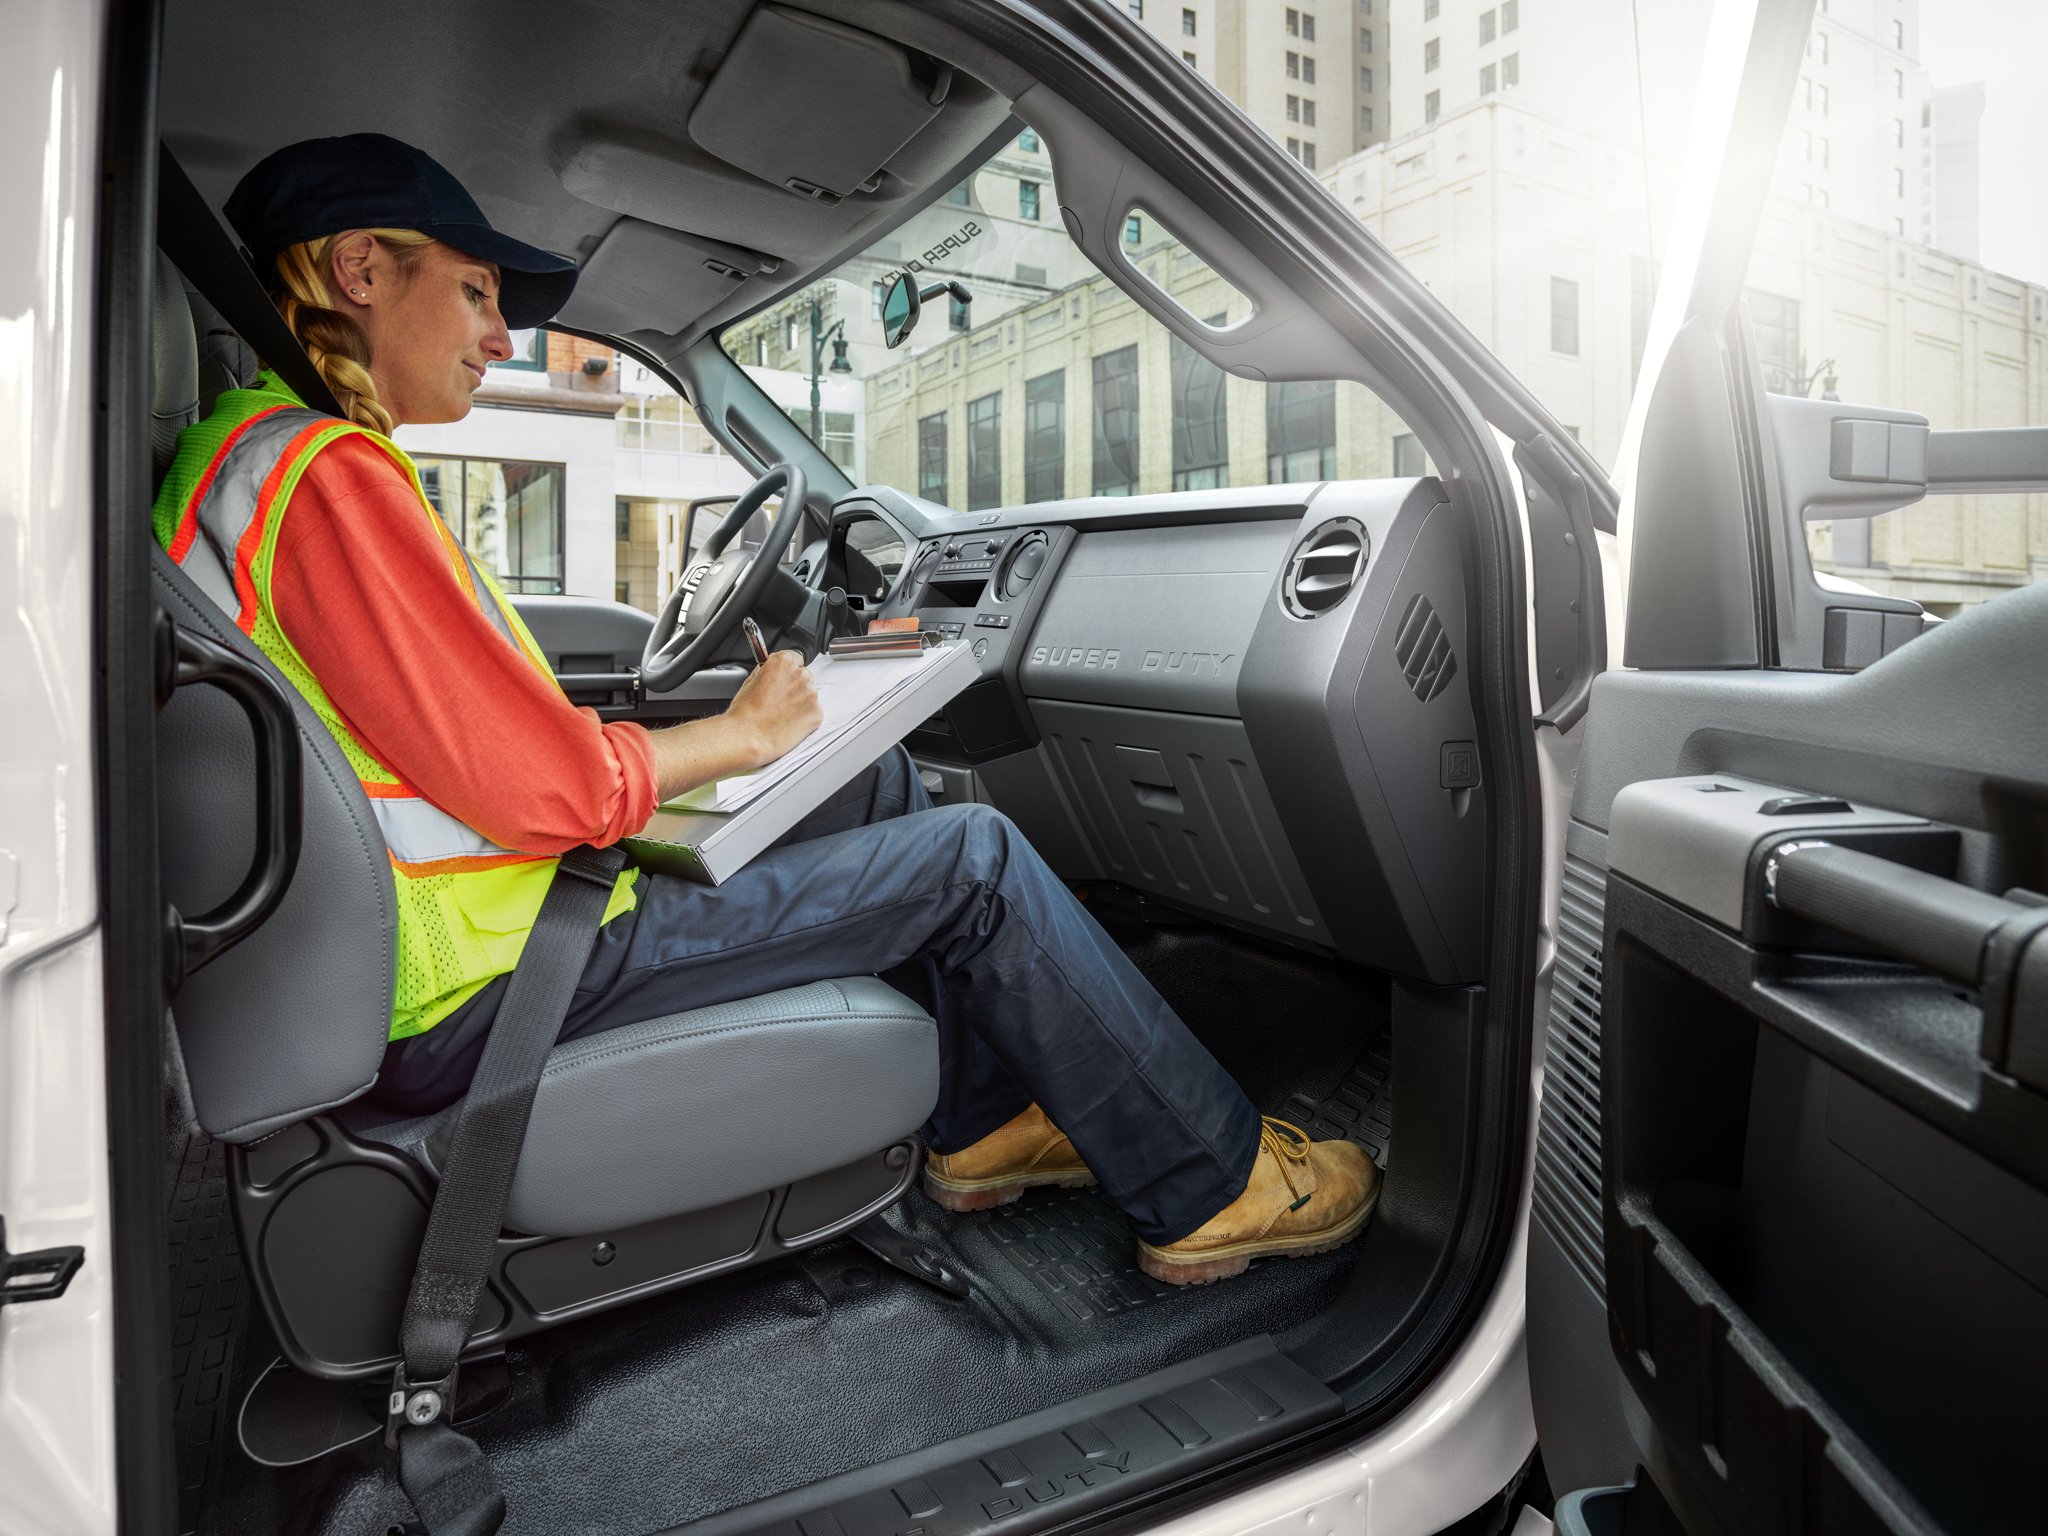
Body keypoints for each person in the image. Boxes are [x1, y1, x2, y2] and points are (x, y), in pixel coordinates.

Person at [153, 133, 1379, 1285]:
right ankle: (1207, 1181)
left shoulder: (242, 462)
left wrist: (732, 746)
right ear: (362, 269)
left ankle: (985, 1125)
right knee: (975, 857)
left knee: (880, 786)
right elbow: (547, 790)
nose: (497, 338)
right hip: (483, 987)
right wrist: (741, 735)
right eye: (475, 294)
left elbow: (460, 746)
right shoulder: (327, 477)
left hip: (470, 947)